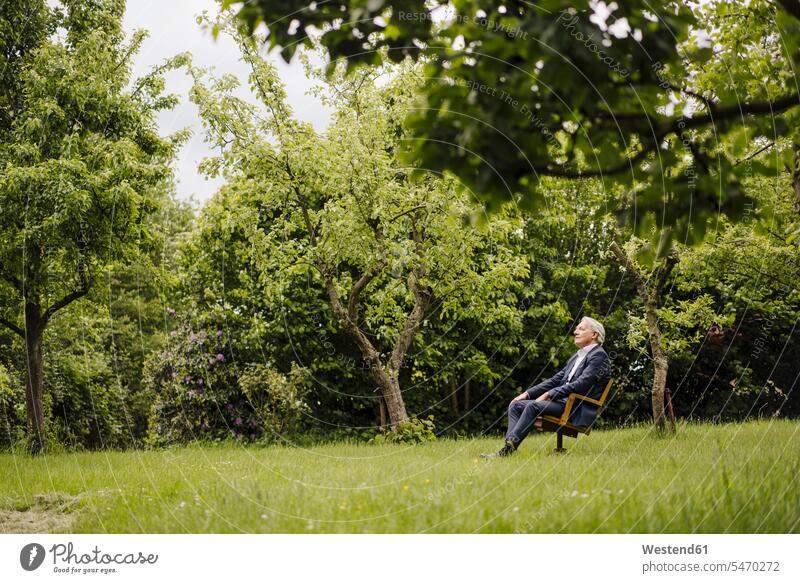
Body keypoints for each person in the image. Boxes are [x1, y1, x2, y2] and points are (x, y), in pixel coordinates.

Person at [481, 316, 612, 458]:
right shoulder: (576, 357)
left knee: (532, 407)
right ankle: (509, 446)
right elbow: (555, 380)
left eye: (581, 328)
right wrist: (526, 394)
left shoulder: (599, 356)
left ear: (594, 335)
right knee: (516, 405)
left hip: (575, 407)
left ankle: (506, 451)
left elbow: (582, 384)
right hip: (562, 402)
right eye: (576, 328)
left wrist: (550, 394)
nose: (575, 332)